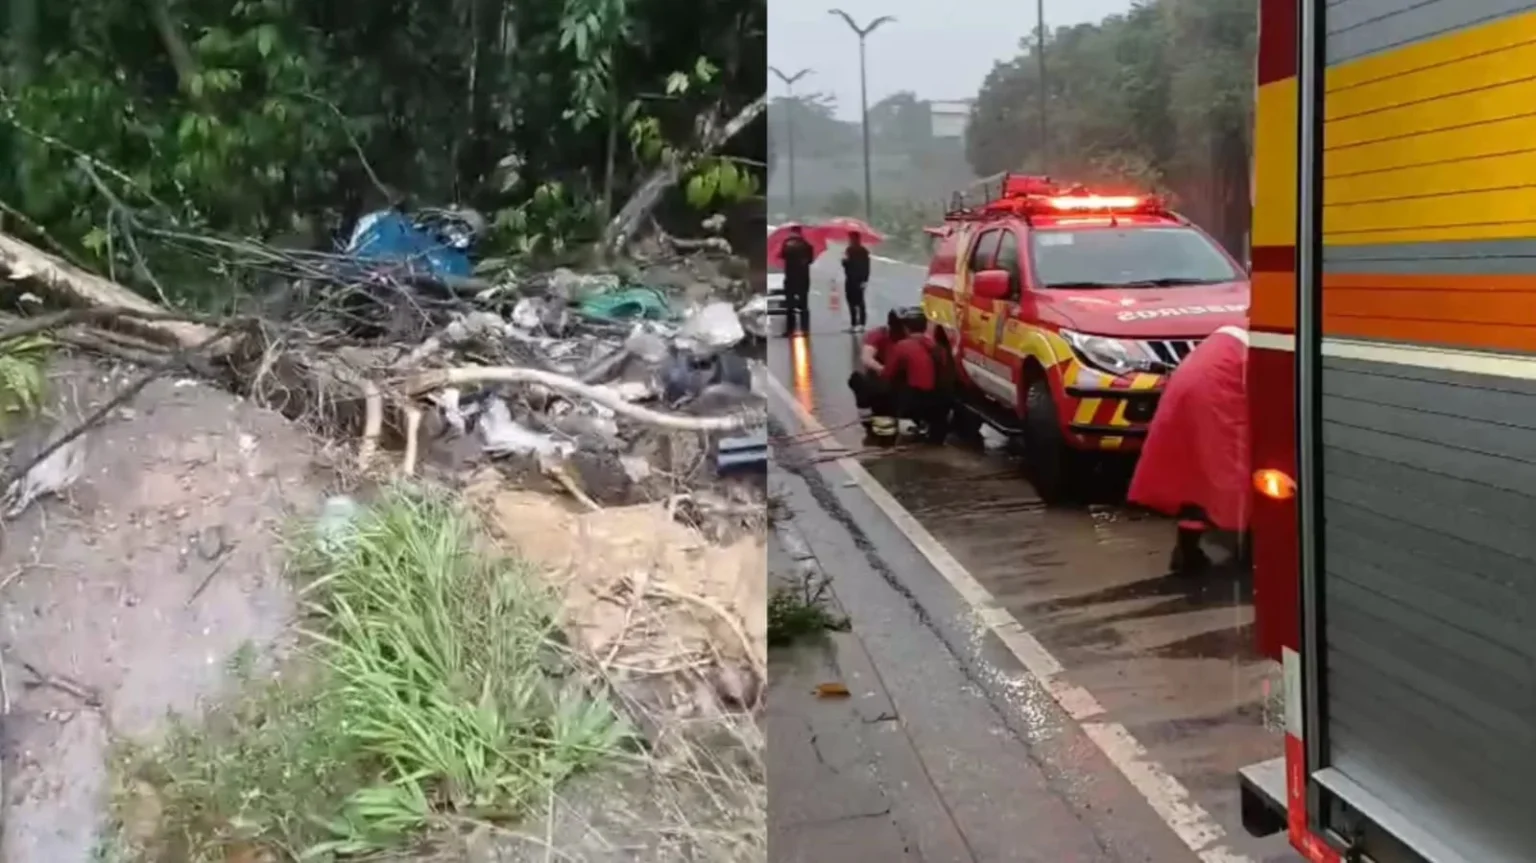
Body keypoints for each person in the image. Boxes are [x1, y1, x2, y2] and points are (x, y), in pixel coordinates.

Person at [1127, 325, 1251, 574]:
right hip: (1219, 391)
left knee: (1192, 471)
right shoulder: (1267, 339)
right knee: (1239, 469)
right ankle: (1253, 551)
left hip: (1187, 385)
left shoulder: (1235, 331)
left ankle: (1188, 551)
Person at [870, 307, 953, 444]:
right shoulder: (938, 347)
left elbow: (887, 374)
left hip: (916, 402)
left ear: (906, 328)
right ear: (926, 327)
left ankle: (892, 431)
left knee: (877, 386)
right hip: (941, 402)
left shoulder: (903, 346)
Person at [847, 310, 907, 432]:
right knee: (856, 379)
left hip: (902, 384)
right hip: (883, 381)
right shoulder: (879, 335)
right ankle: (867, 416)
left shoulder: (911, 338)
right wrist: (882, 369)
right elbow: (866, 357)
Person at [778, 225, 814, 335]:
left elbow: (781, 256)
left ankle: (790, 329)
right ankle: (805, 329)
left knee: (790, 305)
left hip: (790, 277)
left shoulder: (787, 244)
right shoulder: (807, 245)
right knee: (804, 304)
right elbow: (810, 259)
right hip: (803, 277)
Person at [841, 231, 872, 331]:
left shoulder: (850, 250)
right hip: (859, 279)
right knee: (859, 301)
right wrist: (865, 280)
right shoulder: (864, 251)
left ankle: (855, 323)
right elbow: (867, 267)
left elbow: (847, 265)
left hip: (851, 279)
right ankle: (861, 324)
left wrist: (844, 261)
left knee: (853, 302)